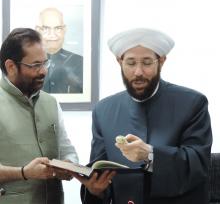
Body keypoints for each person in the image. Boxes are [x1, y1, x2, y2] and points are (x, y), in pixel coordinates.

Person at [74, 28, 212, 204]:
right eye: (131, 63)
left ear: (161, 61)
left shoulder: (193, 103)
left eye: (147, 62)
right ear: (120, 62)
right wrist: (96, 190)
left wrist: (151, 155)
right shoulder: (103, 110)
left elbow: (199, 164)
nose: (138, 72)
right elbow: (101, 172)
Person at [0, 28, 79, 204]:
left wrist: (69, 164)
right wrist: (23, 172)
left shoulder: (51, 102)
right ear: (11, 66)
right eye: (36, 65)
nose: (44, 71)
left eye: (45, 63)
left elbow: (67, 148)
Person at [36, 7, 83, 93]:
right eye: (46, 28)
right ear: (38, 30)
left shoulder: (80, 62)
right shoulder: (26, 62)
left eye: (57, 28)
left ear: (64, 30)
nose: (52, 34)